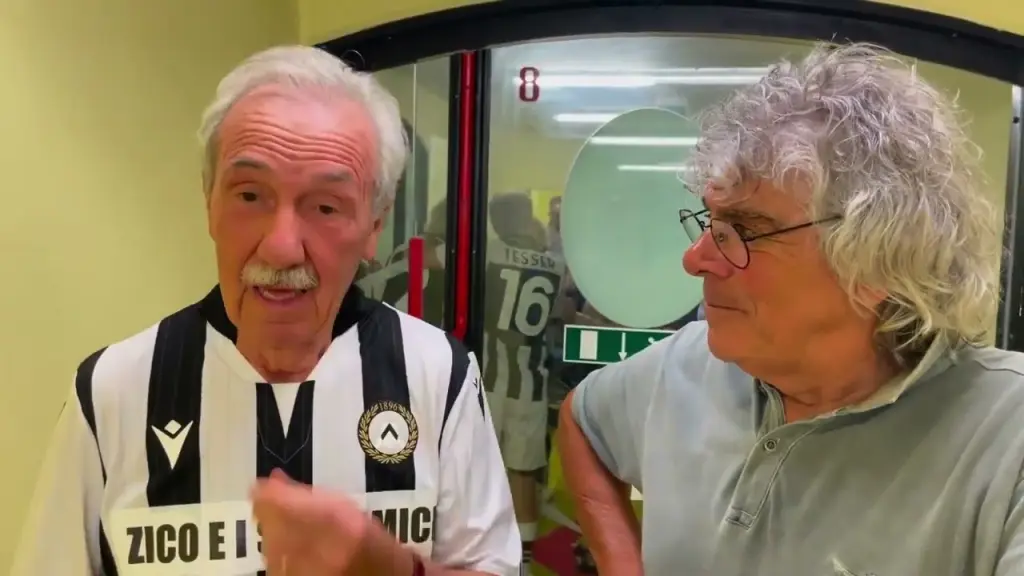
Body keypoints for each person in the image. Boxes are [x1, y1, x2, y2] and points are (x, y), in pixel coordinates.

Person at [13, 46, 519, 576]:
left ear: (375, 225)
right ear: (209, 201)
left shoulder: (439, 374)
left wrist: (395, 570)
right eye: (250, 196)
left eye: (325, 206)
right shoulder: (112, 391)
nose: (281, 248)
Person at [557, 42, 1024, 576]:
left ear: (879, 259)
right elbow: (582, 421)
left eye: (744, 230)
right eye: (710, 223)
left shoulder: (1006, 435)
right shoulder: (682, 368)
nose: (695, 259)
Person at [483, 192, 566, 573]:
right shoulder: (554, 264)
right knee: (524, 474)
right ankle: (524, 563)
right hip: (530, 383)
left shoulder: (487, 254)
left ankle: (485, 551)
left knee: (483, 468)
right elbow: (560, 313)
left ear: (497, 222)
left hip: (487, 381)